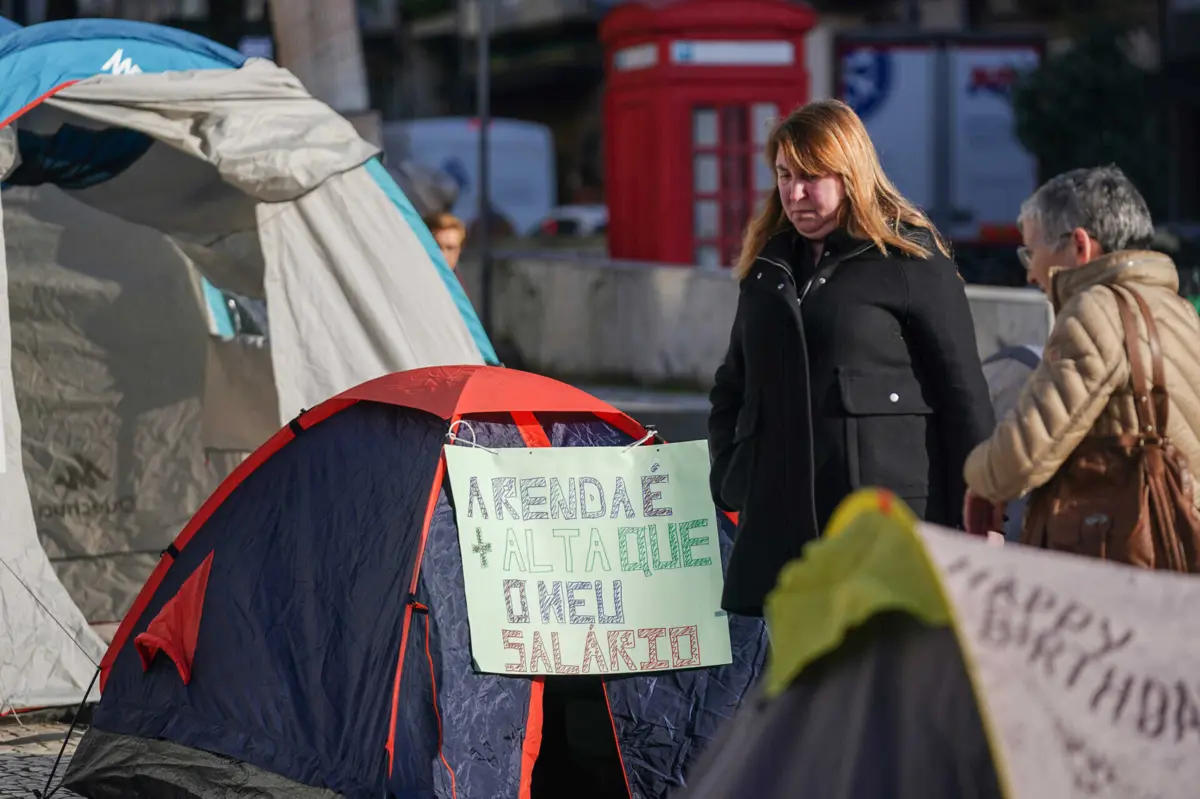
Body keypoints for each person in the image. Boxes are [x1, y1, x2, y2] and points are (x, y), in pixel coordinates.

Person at [708, 99, 994, 617]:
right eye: (784, 175)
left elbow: (963, 394)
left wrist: (980, 516)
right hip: (782, 531)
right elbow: (732, 385)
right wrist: (732, 475)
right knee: (797, 686)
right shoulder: (768, 268)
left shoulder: (910, 261)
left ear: (849, 173)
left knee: (884, 687)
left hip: (885, 523)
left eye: (811, 177)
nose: (795, 193)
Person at [963, 166, 1200, 551]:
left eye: (1031, 252)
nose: (1030, 274)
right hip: (1182, 543)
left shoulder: (1095, 311)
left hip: (1125, 549)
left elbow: (1026, 448)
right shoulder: (1179, 311)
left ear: (1079, 246)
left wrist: (980, 481)